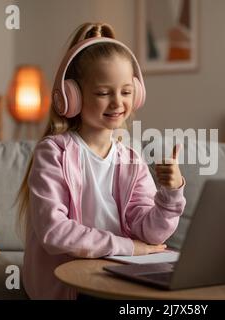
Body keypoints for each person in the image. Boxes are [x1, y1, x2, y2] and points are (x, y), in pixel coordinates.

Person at [16, 22, 186, 300]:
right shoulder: (53, 153)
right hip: (71, 284)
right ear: (72, 96)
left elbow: (151, 233)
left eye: (126, 92)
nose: (117, 102)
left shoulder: (131, 159)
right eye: (104, 93)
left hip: (116, 273)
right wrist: (130, 247)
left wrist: (171, 192)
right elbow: (54, 232)